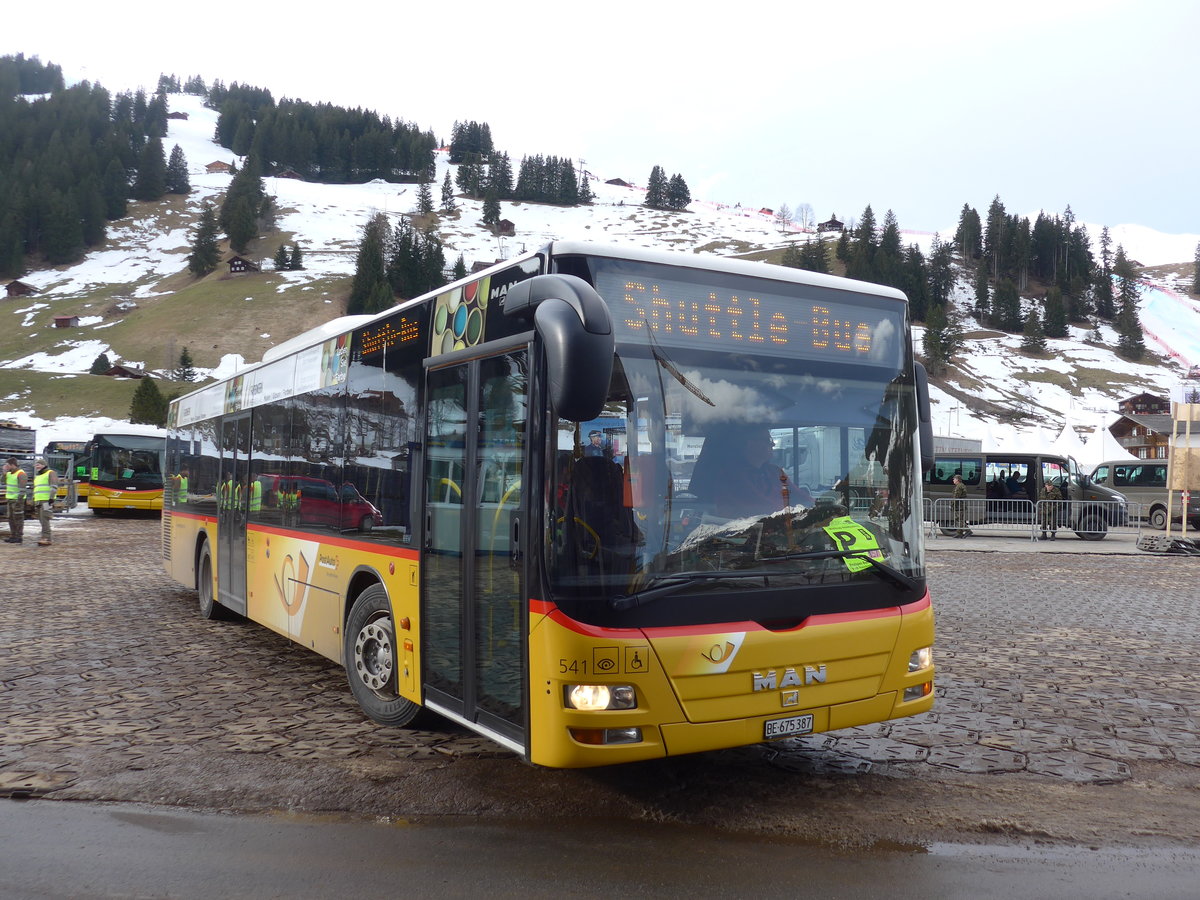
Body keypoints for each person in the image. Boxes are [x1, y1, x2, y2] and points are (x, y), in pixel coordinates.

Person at [689, 428, 811, 519]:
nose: (772, 444)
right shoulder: (731, 475)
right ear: (750, 443)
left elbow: (802, 497)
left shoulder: (774, 471)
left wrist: (821, 508)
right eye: (767, 440)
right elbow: (762, 507)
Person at [31, 457, 59, 546]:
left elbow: (54, 486)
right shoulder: (38, 476)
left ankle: (46, 538)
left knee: (45, 518)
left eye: (38, 464)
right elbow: (36, 489)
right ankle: (44, 536)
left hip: (46, 501)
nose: (36, 466)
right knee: (41, 519)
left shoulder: (50, 473)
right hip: (39, 501)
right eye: (36, 465)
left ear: (43, 465)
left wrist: (51, 498)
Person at [3, 457, 27, 544]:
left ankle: (18, 536)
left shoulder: (21, 474)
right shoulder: (9, 473)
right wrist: (4, 473)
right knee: (11, 518)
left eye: (7, 465)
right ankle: (13, 535)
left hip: (17, 500)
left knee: (18, 518)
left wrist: (19, 501)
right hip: (10, 499)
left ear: (13, 465)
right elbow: (2, 481)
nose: (6, 466)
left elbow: (22, 490)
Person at [951, 473, 972, 538]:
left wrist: (952, 504)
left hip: (959, 506)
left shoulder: (959, 486)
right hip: (961, 505)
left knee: (959, 519)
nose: (953, 480)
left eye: (954, 479)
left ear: (957, 480)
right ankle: (959, 533)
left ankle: (968, 530)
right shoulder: (961, 485)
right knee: (959, 519)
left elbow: (956, 496)